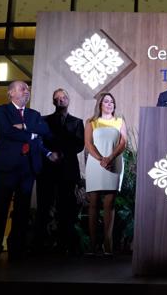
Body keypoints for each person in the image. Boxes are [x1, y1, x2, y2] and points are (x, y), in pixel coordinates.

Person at [0, 80, 57, 261]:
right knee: (0, 208)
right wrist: (33, 134)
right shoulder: (2, 110)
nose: (27, 91)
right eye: (22, 88)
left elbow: (45, 130)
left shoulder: (34, 114)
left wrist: (25, 127)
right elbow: (6, 132)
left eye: (28, 88)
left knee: (22, 211)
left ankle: (16, 248)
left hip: (28, 168)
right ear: (10, 93)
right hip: (5, 167)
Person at [33, 88, 85, 256]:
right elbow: (39, 141)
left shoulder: (77, 122)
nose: (61, 100)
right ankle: (39, 245)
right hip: (47, 170)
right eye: (58, 98)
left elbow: (79, 145)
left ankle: (64, 245)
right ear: (53, 102)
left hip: (68, 170)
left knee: (66, 210)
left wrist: (61, 153)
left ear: (68, 100)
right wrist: (49, 154)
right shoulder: (43, 120)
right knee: (44, 207)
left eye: (64, 97)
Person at [84, 92, 127, 256]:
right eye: (106, 101)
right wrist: (101, 159)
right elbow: (88, 143)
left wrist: (110, 158)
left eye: (111, 102)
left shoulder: (119, 121)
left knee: (110, 204)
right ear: (100, 104)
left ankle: (108, 245)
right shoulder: (92, 122)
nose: (109, 104)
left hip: (114, 163)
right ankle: (93, 245)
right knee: (93, 204)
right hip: (96, 165)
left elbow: (123, 142)